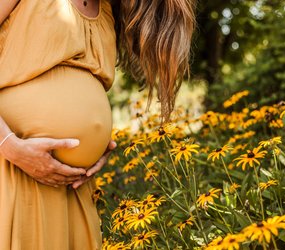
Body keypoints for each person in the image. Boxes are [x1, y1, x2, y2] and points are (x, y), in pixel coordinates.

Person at [0, 0, 195, 249]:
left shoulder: (106, 10)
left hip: (75, 186)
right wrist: (9, 145)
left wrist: (95, 141)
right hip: (13, 167)